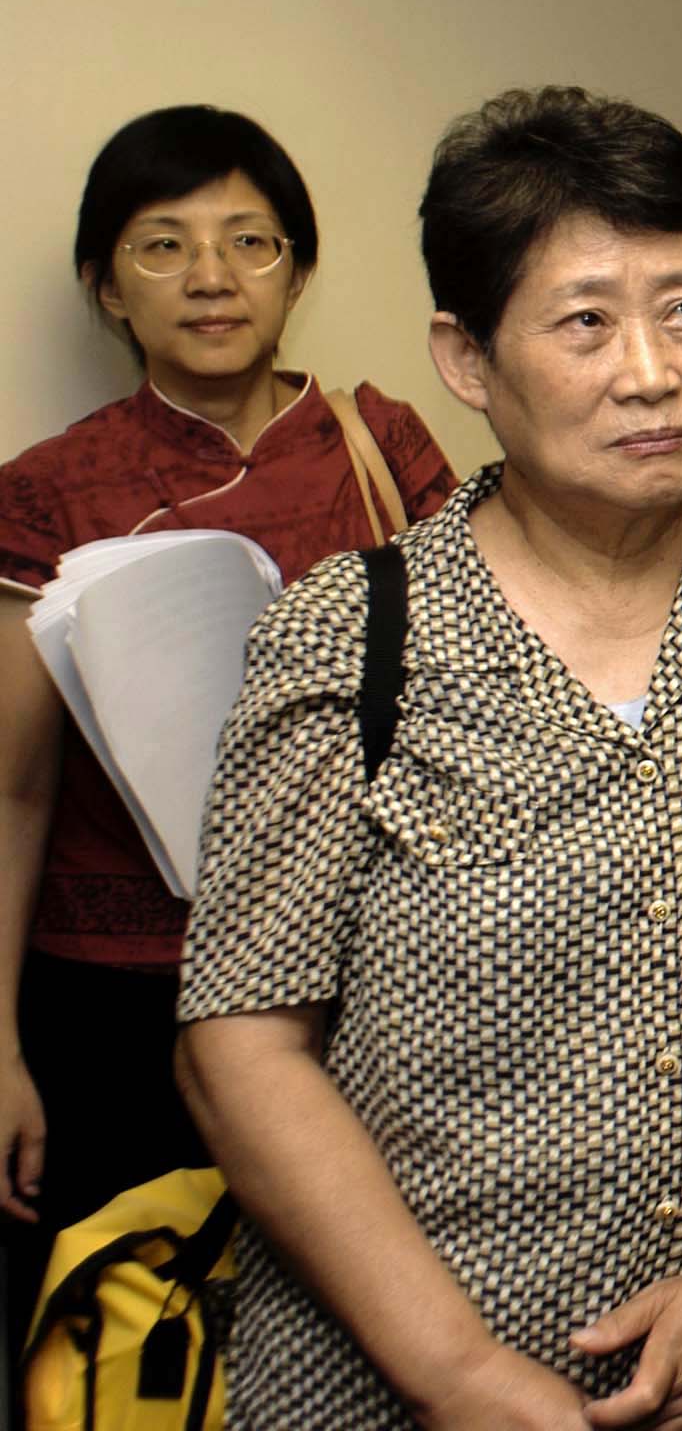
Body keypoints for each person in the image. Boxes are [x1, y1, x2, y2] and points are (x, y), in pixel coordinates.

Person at [174, 88, 682, 1429]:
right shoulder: (351, 638)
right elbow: (241, 1048)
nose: (652, 371)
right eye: (585, 322)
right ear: (466, 358)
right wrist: (458, 1373)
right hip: (392, 1390)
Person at [0, 106, 456, 1345]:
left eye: (251, 240)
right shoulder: (47, 490)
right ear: (107, 287)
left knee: (357, 1323)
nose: (212, 276)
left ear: (298, 270)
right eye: (163, 245)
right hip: (118, 999)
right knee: (136, 1334)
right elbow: (15, 787)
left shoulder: (380, 442)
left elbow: (463, 701)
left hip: (357, 967)